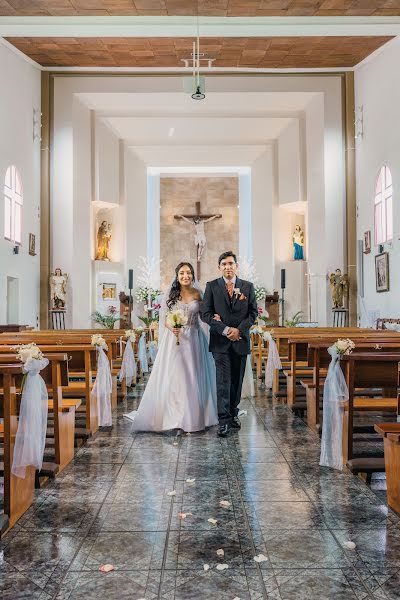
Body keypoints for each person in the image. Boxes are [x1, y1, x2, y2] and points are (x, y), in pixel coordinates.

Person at [123, 262, 218, 432]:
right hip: (174, 339)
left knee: (193, 376)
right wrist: (171, 325)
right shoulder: (171, 294)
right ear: (177, 275)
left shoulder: (199, 294)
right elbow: (165, 318)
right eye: (182, 273)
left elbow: (205, 316)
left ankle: (194, 416)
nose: (185, 276)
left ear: (192, 275)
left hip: (195, 339)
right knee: (176, 376)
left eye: (188, 273)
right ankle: (174, 415)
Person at [200, 251, 258, 437]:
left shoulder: (247, 287)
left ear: (236, 266)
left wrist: (238, 330)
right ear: (219, 267)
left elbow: (253, 313)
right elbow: (205, 313)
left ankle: (233, 413)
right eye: (224, 264)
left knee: (236, 382)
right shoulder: (212, 286)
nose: (228, 266)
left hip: (240, 341)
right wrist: (225, 330)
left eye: (231, 263)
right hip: (220, 343)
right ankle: (223, 420)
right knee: (223, 382)